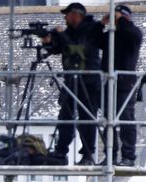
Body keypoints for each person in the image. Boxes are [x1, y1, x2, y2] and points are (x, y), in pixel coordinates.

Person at [43, 2, 101, 165]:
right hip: (71, 81)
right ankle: (61, 151)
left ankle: (88, 155)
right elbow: (57, 48)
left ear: (76, 15)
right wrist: (47, 41)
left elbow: (75, 48)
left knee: (87, 118)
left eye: (67, 15)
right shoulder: (69, 32)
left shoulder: (91, 30)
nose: (65, 18)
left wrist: (60, 35)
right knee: (65, 117)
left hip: (88, 82)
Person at [92, 5, 143, 166]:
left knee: (126, 119)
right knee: (107, 120)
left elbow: (133, 35)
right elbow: (93, 39)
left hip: (125, 84)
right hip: (107, 84)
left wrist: (121, 20)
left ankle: (128, 156)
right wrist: (101, 23)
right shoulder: (109, 37)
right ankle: (110, 155)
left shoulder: (133, 33)